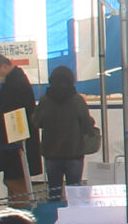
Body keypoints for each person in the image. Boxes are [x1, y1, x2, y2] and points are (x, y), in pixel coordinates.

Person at [0, 52, 42, 207]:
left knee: (16, 180)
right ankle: (17, 208)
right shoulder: (16, 80)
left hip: (16, 139)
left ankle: (21, 209)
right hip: (17, 138)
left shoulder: (16, 83)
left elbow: (14, 109)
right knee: (14, 180)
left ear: (3, 66)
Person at [35, 64, 101, 201]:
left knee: (54, 192)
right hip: (74, 153)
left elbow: (36, 122)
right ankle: (74, 220)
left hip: (51, 153)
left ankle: (54, 218)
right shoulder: (77, 100)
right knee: (75, 194)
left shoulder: (44, 101)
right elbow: (86, 126)